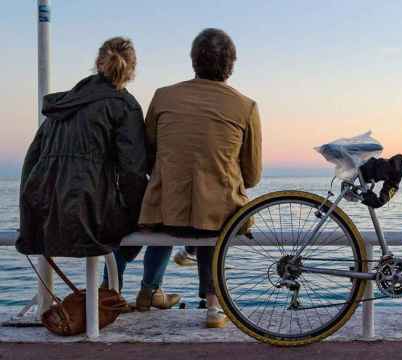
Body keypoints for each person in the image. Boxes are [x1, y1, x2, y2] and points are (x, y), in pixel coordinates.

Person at [138, 28, 262, 328]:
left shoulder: (163, 96)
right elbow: (253, 175)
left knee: (175, 206)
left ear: (193, 60)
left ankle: (147, 290)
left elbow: (149, 151)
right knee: (212, 213)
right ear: (231, 64)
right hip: (215, 217)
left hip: (163, 213)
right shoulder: (246, 106)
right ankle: (214, 307)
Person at [16, 37, 148, 261]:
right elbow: (132, 173)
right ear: (132, 70)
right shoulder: (125, 106)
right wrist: (142, 215)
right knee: (147, 224)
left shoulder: (64, 104)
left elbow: (31, 163)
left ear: (98, 62)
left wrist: (28, 217)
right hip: (89, 215)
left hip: (41, 215)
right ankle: (121, 283)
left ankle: (111, 284)